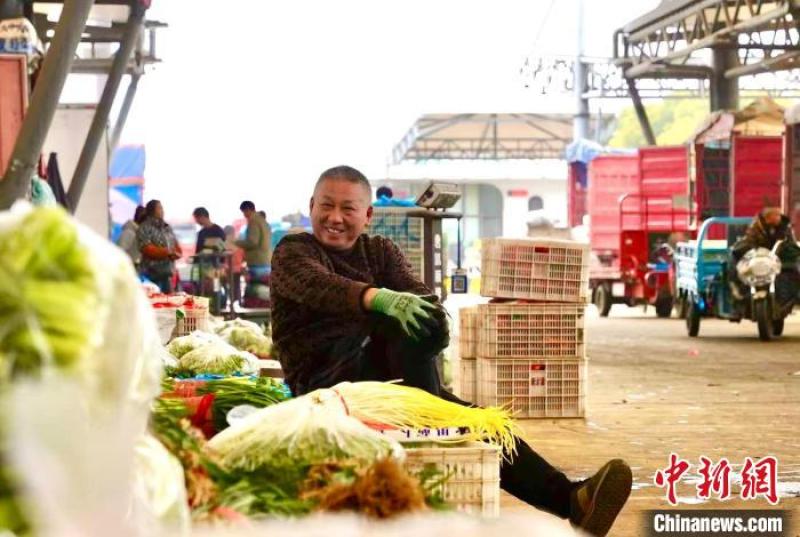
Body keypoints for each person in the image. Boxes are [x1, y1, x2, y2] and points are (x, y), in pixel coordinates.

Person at [270, 165, 632, 537]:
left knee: (482, 422)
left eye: (348, 209)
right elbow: (318, 285)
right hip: (325, 386)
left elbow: (419, 294)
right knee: (394, 326)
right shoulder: (294, 251)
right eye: (326, 206)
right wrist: (378, 298)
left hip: (391, 384)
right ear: (312, 205)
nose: (334, 217)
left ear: (368, 215)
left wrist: (432, 318)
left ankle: (572, 500)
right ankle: (432, 416)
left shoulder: (379, 252)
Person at [137, 200, 181, 293]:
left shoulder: (167, 227)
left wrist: (176, 253)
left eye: (162, 208)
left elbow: (176, 245)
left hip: (167, 273)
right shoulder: (144, 227)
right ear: (152, 211)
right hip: (151, 274)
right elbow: (146, 248)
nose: (162, 210)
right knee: (154, 303)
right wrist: (166, 252)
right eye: (159, 208)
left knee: (169, 302)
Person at [235, 201, 271, 277]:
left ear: (248, 209)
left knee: (255, 287)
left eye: (244, 212)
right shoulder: (262, 220)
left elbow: (252, 242)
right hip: (265, 261)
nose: (244, 215)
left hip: (256, 261)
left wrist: (236, 243)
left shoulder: (253, 221)